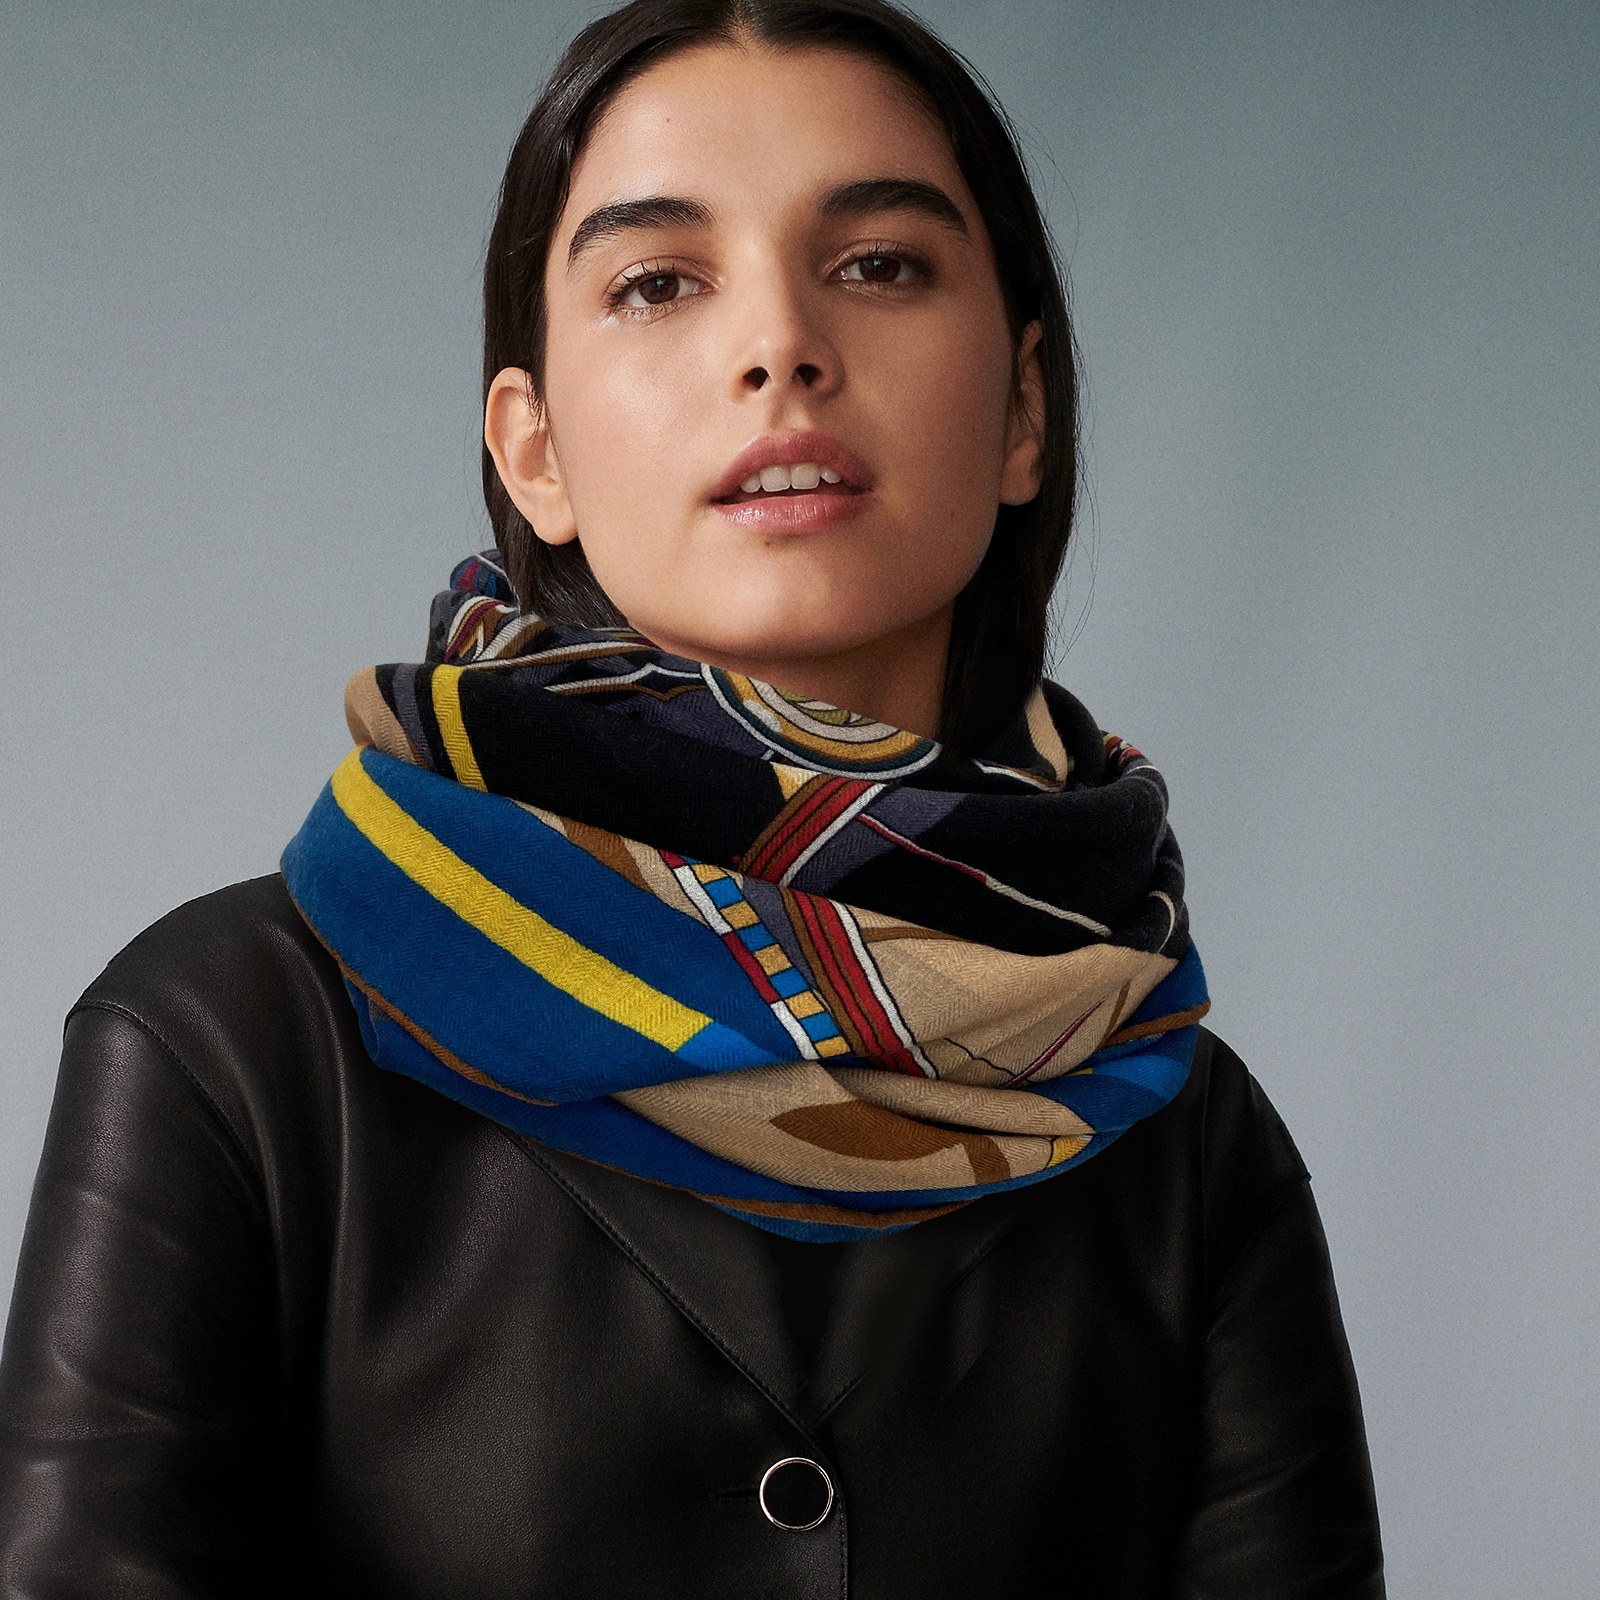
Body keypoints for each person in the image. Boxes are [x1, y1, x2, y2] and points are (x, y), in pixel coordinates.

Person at [0, 0, 1386, 1594]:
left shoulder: (1183, 1134)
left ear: (1023, 409)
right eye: (658, 281)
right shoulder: (225, 1044)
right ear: (533, 453)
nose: (780, 344)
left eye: (879, 264)